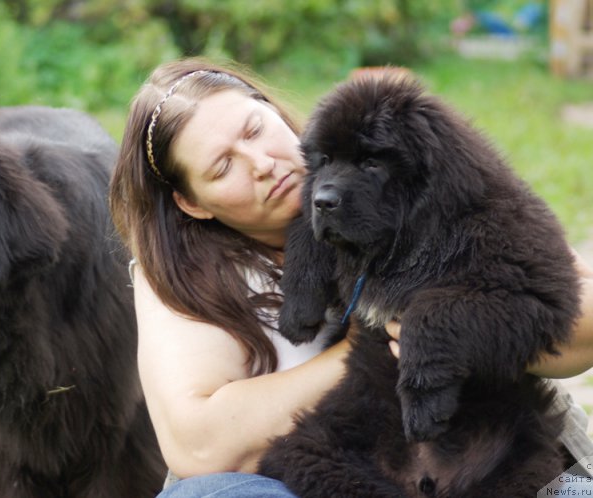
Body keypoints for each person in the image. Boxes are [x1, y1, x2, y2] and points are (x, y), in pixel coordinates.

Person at [108, 57, 593, 497]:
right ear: (191, 201)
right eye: (222, 166)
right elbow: (200, 449)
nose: (262, 165)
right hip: (337, 462)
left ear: (274, 111)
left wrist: (450, 325)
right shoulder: (178, 277)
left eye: (254, 131)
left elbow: (575, 315)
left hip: (496, 447)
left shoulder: (423, 171)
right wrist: (373, 337)